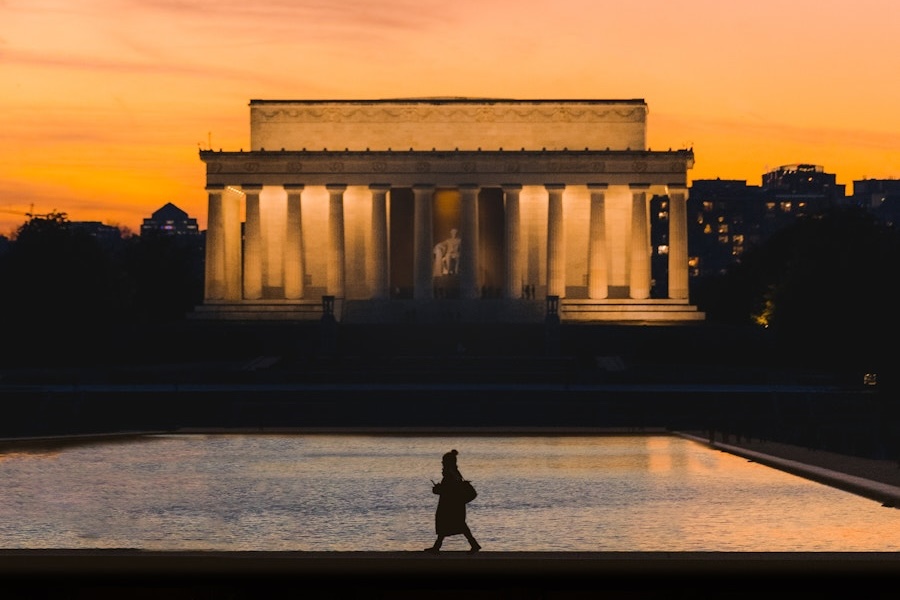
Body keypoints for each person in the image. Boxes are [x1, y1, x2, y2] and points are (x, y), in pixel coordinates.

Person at [425, 449, 481, 553]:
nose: (442, 463)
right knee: (456, 524)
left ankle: (437, 547)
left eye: (443, 461)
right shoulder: (455, 473)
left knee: (449, 523)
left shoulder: (449, 474)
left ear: (447, 462)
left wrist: (437, 489)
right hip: (456, 503)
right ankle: (473, 544)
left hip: (450, 504)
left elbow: (448, 489)